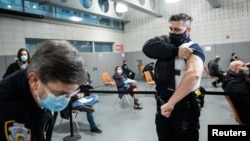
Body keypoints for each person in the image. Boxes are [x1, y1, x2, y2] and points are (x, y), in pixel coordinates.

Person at [0, 40, 86, 141]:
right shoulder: (6, 108)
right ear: (34, 80)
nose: (65, 100)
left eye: (71, 93)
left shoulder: (49, 92)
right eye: (61, 94)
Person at [142, 13, 205, 141]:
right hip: (162, 107)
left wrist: (171, 103)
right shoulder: (166, 44)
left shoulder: (193, 48)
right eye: (171, 28)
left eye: (177, 30)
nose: (172, 32)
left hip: (183, 110)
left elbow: (194, 75)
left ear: (188, 30)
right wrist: (176, 51)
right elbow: (147, 47)